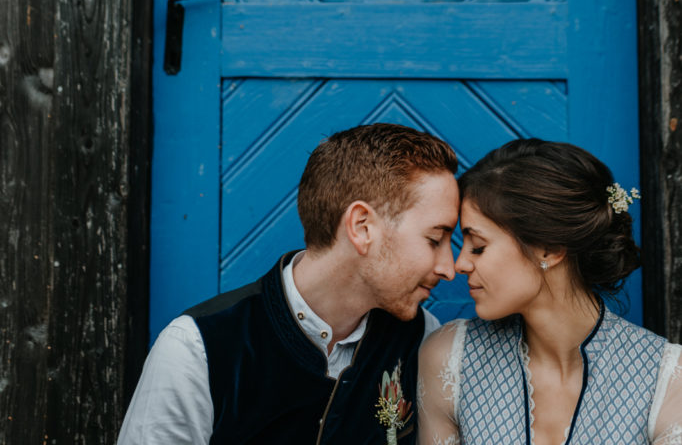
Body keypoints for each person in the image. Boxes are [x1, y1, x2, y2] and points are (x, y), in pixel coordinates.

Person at [118, 122, 459, 444]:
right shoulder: (197, 349)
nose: (449, 268)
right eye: (435, 239)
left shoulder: (421, 337)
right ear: (362, 227)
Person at [418, 138, 682, 445]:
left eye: (478, 247)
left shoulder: (666, 379)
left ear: (550, 249)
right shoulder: (449, 357)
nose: (459, 265)